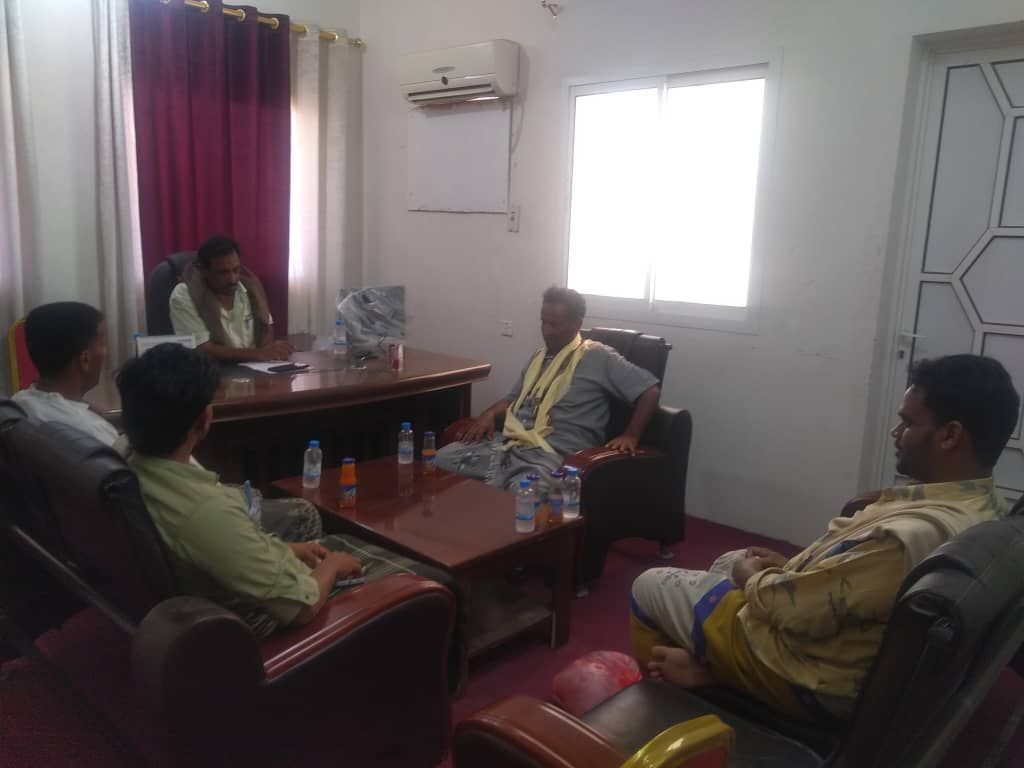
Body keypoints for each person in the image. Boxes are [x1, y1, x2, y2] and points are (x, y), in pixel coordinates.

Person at [630, 354, 1020, 721]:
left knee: (650, 585)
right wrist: (791, 568)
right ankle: (714, 662)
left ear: (950, 435)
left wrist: (754, 577)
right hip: (846, 637)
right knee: (728, 560)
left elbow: (794, 613)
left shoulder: (907, 537)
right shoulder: (987, 506)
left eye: (908, 423)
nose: (895, 432)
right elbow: (858, 585)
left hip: (809, 671)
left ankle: (684, 700)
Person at [116, 344, 465, 684]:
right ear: (204, 419)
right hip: (266, 633)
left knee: (322, 538)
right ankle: (435, 694)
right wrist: (332, 566)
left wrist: (287, 550)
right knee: (438, 584)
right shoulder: (205, 512)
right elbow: (301, 607)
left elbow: (227, 548)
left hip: (224, 595)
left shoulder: (130, 464)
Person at [12, 301, 319, 542]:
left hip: (97, 537)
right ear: (85, 359)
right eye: (102, 343)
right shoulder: (93, 437)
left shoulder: (22, 405)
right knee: (303, 512)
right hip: (187, 524)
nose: (106, 352)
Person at [436, 286, 662, 490]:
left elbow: (650, 390)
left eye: (555, 324)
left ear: (577, 323)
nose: (546, 331)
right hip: (510, 444)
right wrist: (489, 415)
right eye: (543, 322)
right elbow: (512, 400)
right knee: (439, 460)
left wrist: (631, 435)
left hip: (553, 454)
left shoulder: (598, 356)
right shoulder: (539, 357)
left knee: (525, 492)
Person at [169, 234, 294, 363]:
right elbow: (202, 349)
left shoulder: (250, 286)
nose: (233, 279)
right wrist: (258, 354)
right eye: (223, 272)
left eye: (236, 270)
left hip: (255, 367)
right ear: (203, 270)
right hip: (214, 370)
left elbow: (266, 327)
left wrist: (270, 351)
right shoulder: (184, 294)